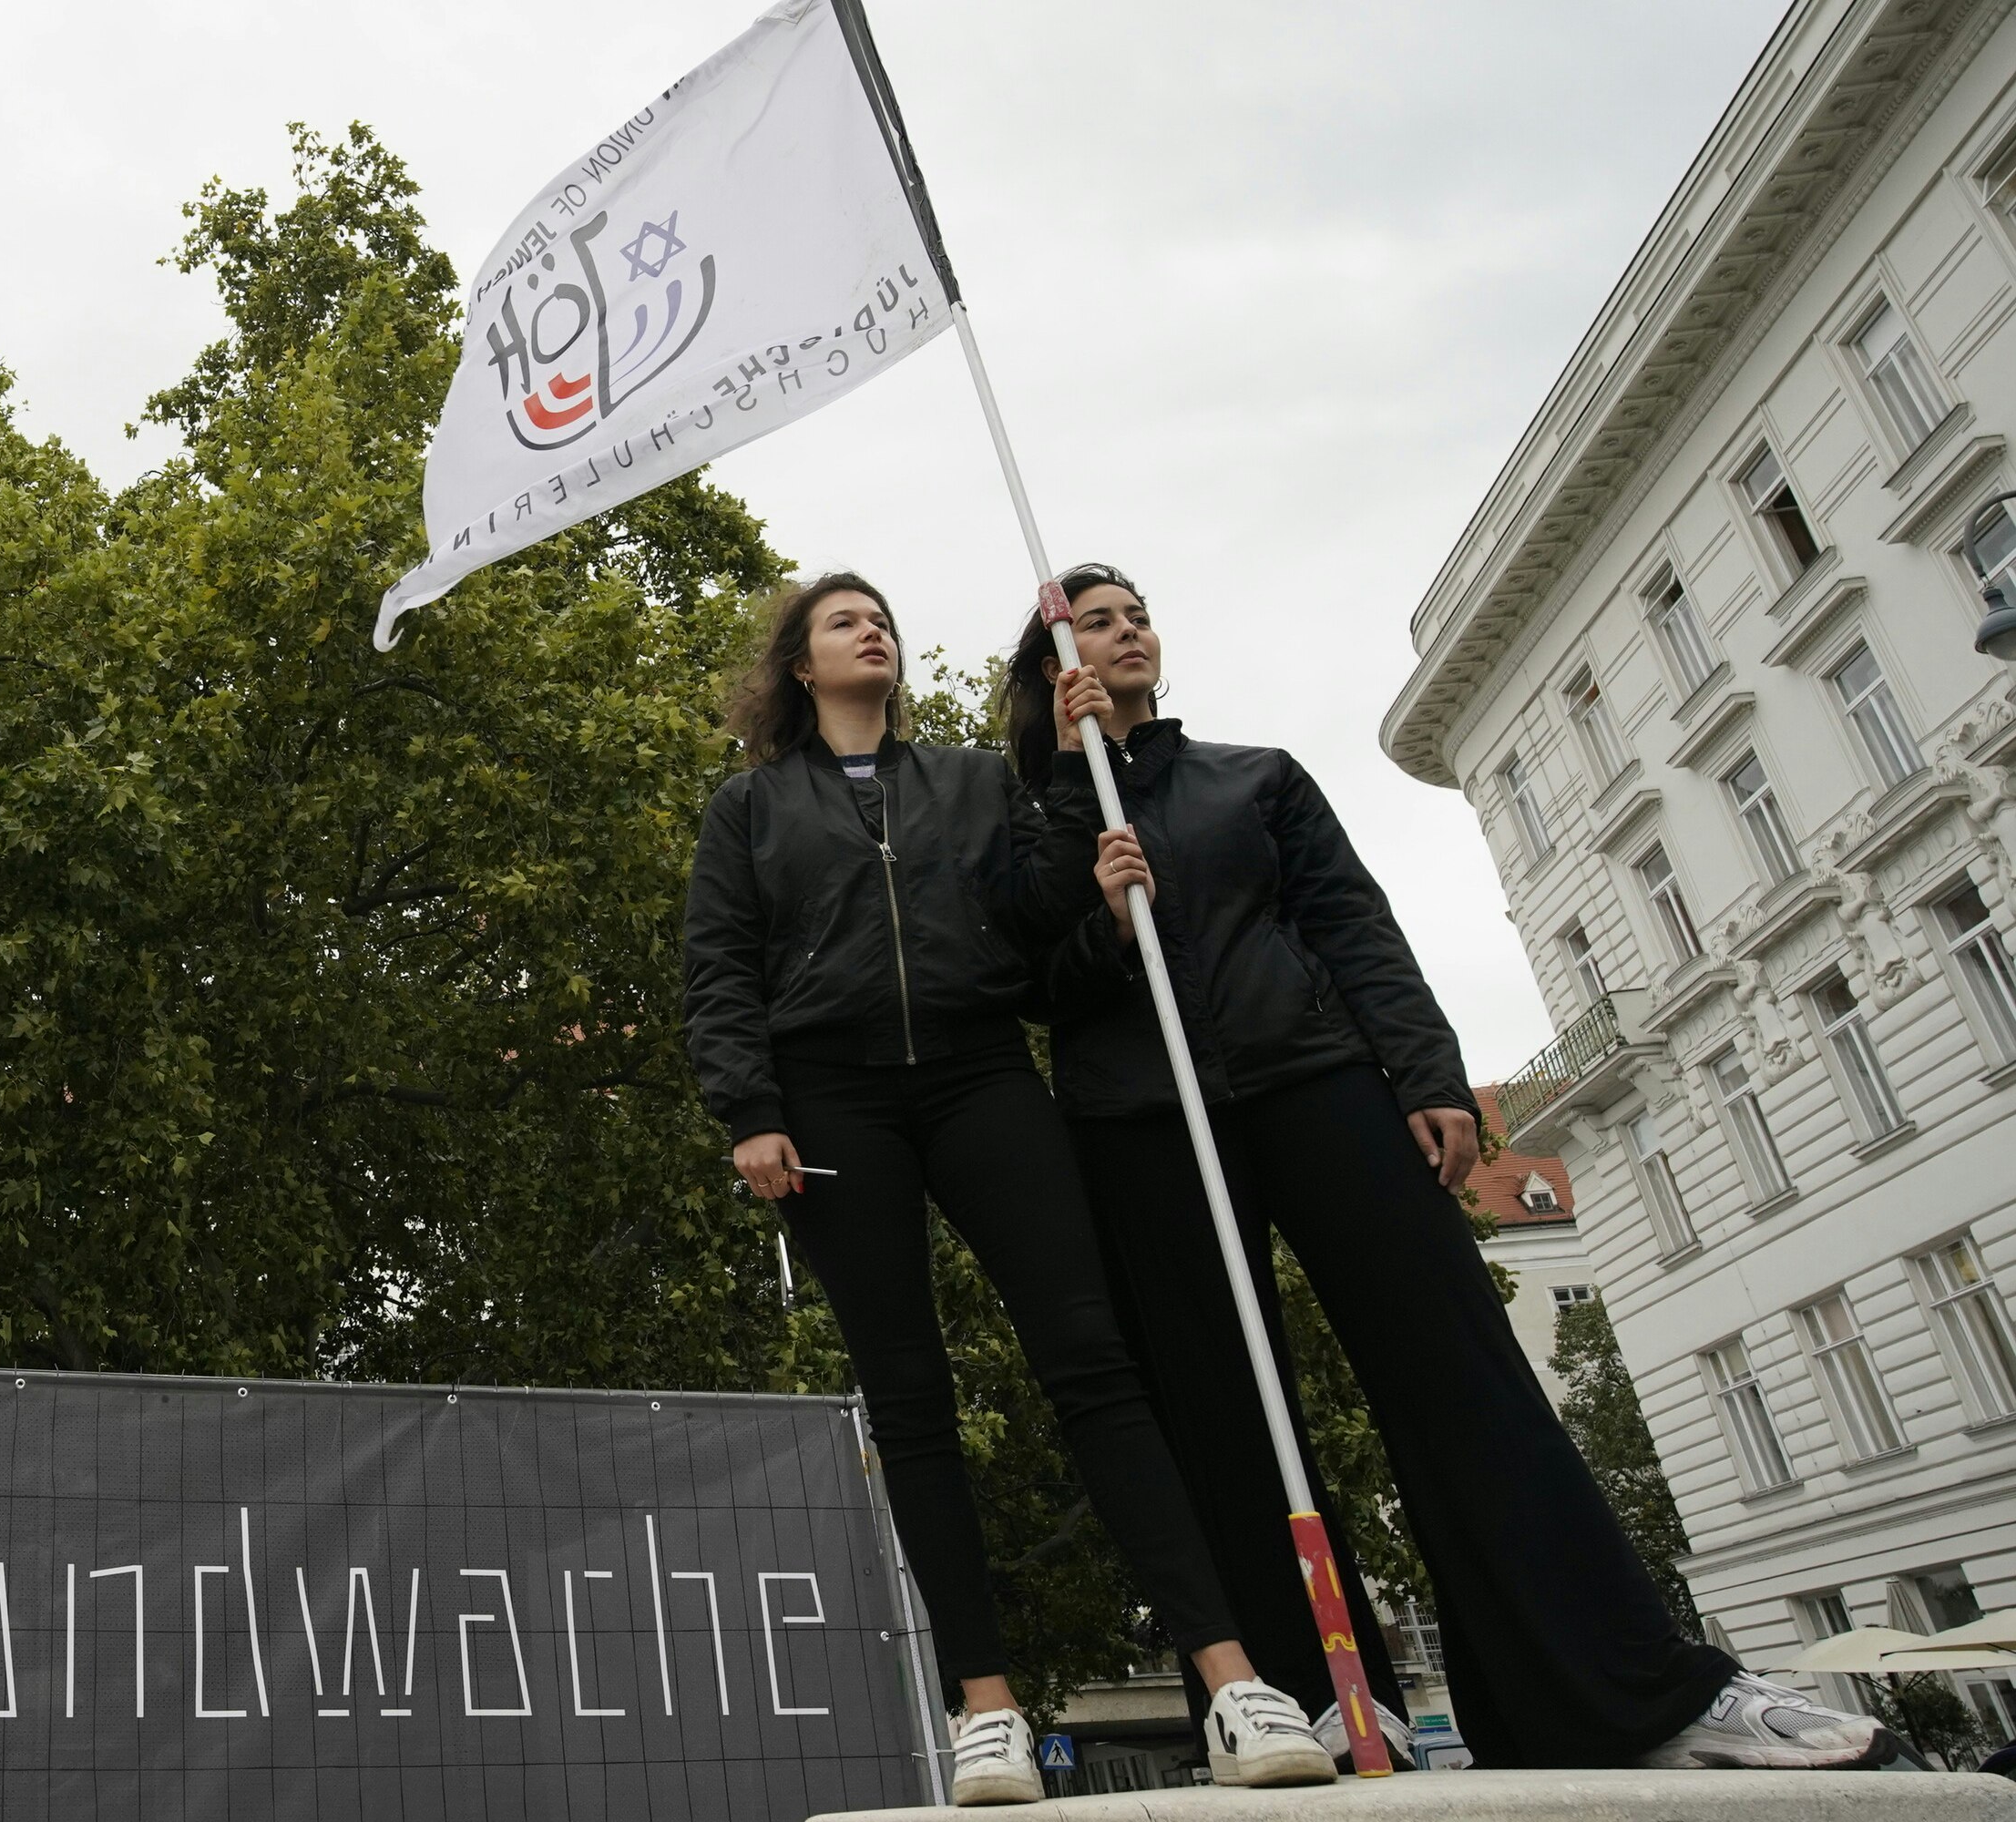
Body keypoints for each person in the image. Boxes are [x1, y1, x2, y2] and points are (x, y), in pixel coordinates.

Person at [1009, 562, 1899, 1772]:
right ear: (1053, 667)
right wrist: (1086, 828)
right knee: (1217, 1407)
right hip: (1142, 1118)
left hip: (1312, 1077)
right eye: (1096, 624)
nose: (1127, 634)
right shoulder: (1034, 813)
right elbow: (1032, 977)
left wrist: (1426, 1074)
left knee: (1458, 1369)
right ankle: (1311, 1704)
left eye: (1137, 616)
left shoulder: (1256, 777)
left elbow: (1352, 925)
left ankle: (1623, 1691)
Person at [682, 572, 1335, 1805]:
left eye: (882, 617)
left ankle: (1235, 1680)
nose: (872, 630)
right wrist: (750, 1110)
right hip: (831, 1100)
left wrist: (1084, 816)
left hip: (981, 1076)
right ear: (801, 666)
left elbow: (1035, 917)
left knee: (1093, 1363)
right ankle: (985, 1710)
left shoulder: (974, 780)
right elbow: (718, 966)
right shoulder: (750, 807)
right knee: (909, 1397)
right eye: (843, 621)